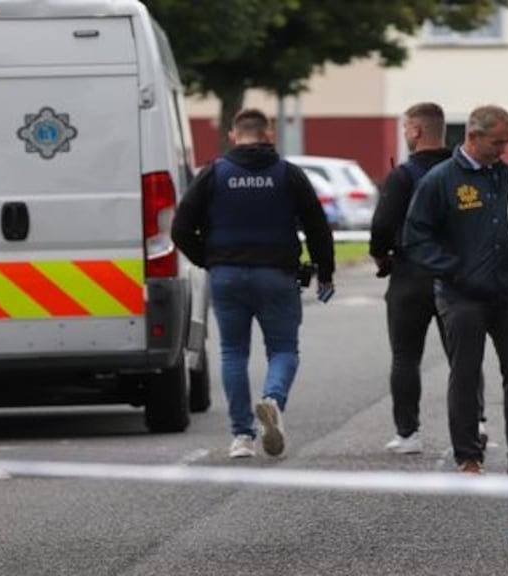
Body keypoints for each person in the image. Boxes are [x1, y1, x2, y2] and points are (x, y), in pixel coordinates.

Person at [171, 108, 335, 459]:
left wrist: (209, 259)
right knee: (284, 350)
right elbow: (318, 227)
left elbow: (180, 228)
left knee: (233, 352)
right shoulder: (288, 175)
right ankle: (273, 399)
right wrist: (325, 272)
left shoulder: (213, 174)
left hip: (227, 276)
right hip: (277, 275)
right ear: (269, 134)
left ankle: (242, 437)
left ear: (234, 135)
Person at [402, 105, 508, 475]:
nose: (503, 150)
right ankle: (468, 455)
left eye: (507, 142)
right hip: (461, 295)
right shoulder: (441, 179)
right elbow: (416, 237)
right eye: (497, 142)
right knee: (466, 374)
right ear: (472, 136)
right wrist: (452, 269)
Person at [371, 102, 487, 454]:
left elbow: (382, 226)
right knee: (463, 356)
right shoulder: (463, 173)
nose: (406, 133)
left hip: (409, 276)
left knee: (406, 356)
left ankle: (408, 434)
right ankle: (477, 422)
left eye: (406, 127)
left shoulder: (403, 176)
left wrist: (382, 256)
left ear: (417, 130)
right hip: (458, 275)